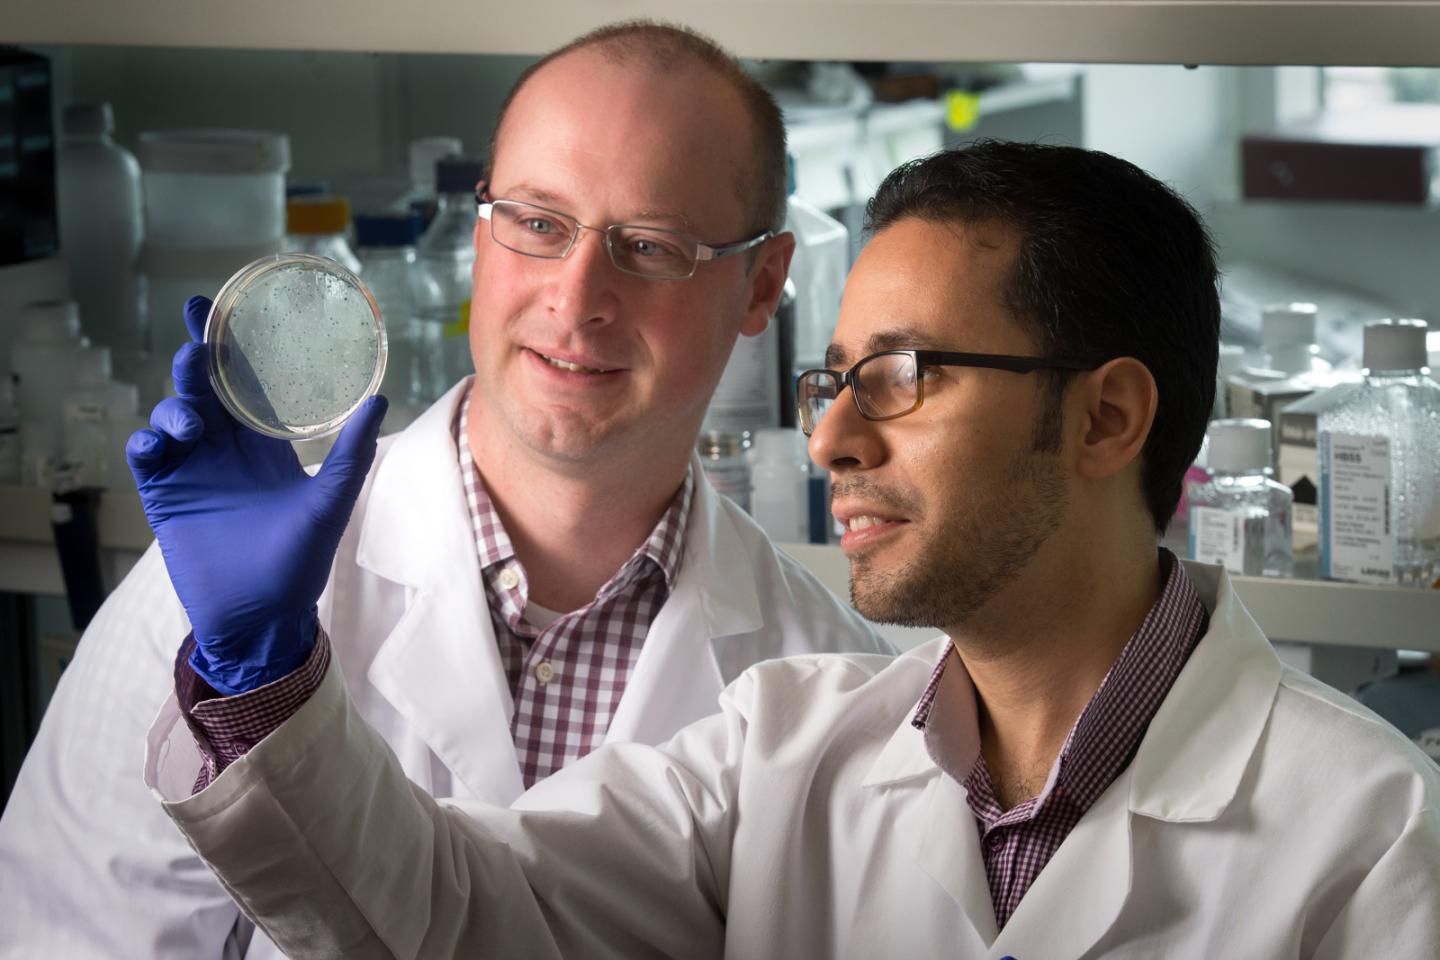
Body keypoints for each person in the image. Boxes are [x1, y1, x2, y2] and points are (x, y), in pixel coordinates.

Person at [144, 141, 1439, 958]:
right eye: (833, 380)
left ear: (1106, 418)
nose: (830, 440)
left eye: (902, 377)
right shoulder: (784, 757)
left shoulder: (1375, 839)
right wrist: (263, 672)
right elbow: (451, 916)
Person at [0, 21, 891, 959]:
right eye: (538, 223)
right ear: (479, 231)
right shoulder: (222, 609)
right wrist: (255, 680)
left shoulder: (838, 689)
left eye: (650, 244)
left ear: (762, 284)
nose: (576, 297)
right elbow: (65, 939)